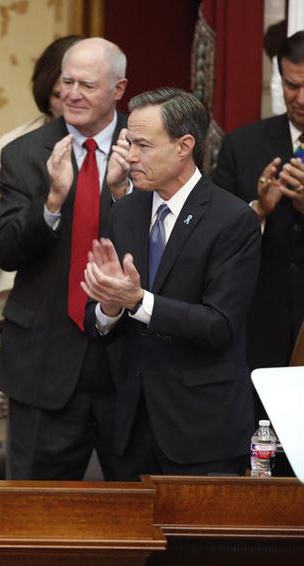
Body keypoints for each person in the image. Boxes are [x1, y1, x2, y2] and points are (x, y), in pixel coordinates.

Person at [82, 87, 261, 478]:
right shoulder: (125, 212)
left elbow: (219, 326)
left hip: (201, 430)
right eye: (129, 142)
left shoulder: (232, 220)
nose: (130, 156)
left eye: (143, 145)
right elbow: (97, 324)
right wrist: (109, 307)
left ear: (184, 146)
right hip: (130, 430)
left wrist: (137, 301)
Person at [0, 38, 129, 481]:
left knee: (141, 514)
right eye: (66, 82)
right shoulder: (24, 153)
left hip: (129, 362)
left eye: (87, 84)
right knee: (33, 520)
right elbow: (4, 251)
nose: (72, 93)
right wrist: (51, 201)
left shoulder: (145, 149)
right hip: (42, 362)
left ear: (118, 89)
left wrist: (124, 195)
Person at [0, 35, 80, 475]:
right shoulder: (16, 147)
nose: (69, 103)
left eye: (80, 90)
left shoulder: (126, 145)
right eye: (60, 94)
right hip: (32, 320)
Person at [213, 31, 304, 377]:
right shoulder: (242, 144)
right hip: (256, 327)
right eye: (291, 86)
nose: (300, 98)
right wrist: (259, 209)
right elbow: (213, 238)